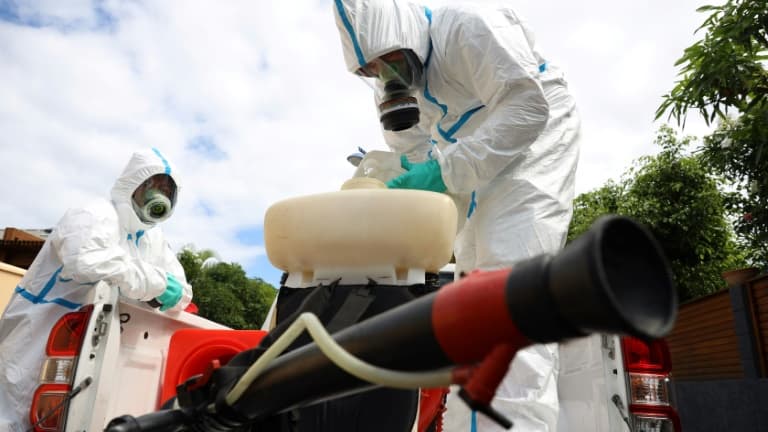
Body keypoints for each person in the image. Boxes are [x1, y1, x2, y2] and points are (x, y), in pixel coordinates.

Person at [332, 1, 581, 431]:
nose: (384, 75)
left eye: (389, 59)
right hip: (467, 153)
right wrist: (413, 175)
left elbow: (527, 108)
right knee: (471, 294)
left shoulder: (470, 26)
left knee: (510, 287)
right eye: (370, 69)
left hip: (533, 138)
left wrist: (443, 171)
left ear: (406, 34)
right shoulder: (389, 86)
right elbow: (411, 148)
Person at [0, 148, 192, 431]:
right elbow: (85, 260)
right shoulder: (93, 214)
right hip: (39, 333)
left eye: (167, 189)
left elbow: (183, 292)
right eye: (154, 184)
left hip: (97, 345)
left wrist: (162, 287)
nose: (160, 194)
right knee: (16, 411)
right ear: (133, 183)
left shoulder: (154, 240)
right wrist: (156, 283)